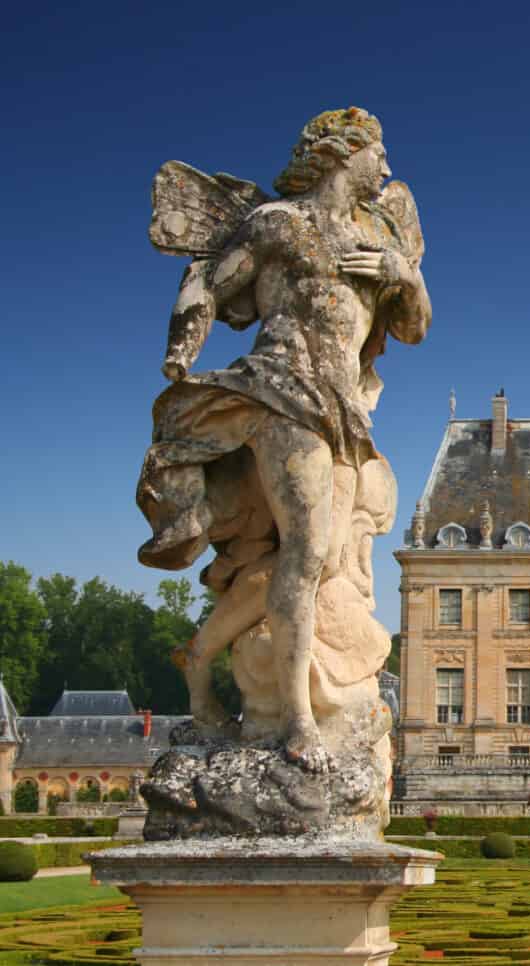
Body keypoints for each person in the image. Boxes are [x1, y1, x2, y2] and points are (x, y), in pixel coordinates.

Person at [137, 108, 430, 771]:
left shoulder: (376, 237)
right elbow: (209, 283)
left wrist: (405, 275)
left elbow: (414, 328)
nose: (386, 167)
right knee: (307, 549)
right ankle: (297, 718)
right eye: (376, 153)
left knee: (321, 562)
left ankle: (201, 657)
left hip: (345, 412)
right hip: (284, 390)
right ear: (339, 154)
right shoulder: (279, 224)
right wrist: (182, 351)